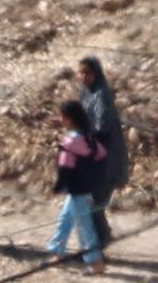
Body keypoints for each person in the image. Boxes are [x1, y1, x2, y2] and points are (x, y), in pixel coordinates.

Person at [47, 100, 108, 276]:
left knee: (84, 226)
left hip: (76, 189)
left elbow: (65, 167)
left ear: (68, 119)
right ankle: (58, 252)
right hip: (87, 187)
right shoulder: (88, 137)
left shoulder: (69, 141)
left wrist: (58, 186)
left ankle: (96, 262)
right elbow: (101, 156)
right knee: (65, 218)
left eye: (62, 117)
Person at [78, 57, 128, 249]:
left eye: (87, 73)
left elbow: (102, 127)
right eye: (81, 73)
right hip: (92, 159)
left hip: (107, 160)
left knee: (94, 204)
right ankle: (99, 242)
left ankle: (99, 245)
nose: (84, 77)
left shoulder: (102, 95)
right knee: (90, 204)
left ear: (96, 74)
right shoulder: (85, 93)